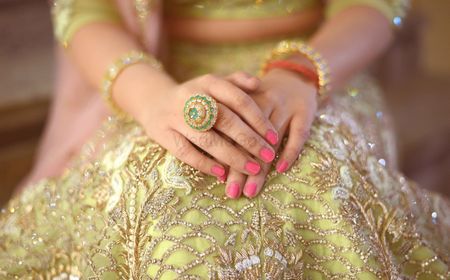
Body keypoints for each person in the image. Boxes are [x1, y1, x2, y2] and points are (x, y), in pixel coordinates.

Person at [1, 0, 449, 278]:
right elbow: (83, 11)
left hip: (319, 70)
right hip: (160, 76)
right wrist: (154, 99)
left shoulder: (309, 72)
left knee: (313, 173)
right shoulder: (155, 90)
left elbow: (374, 3)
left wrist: (300, 74)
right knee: (157, 186)